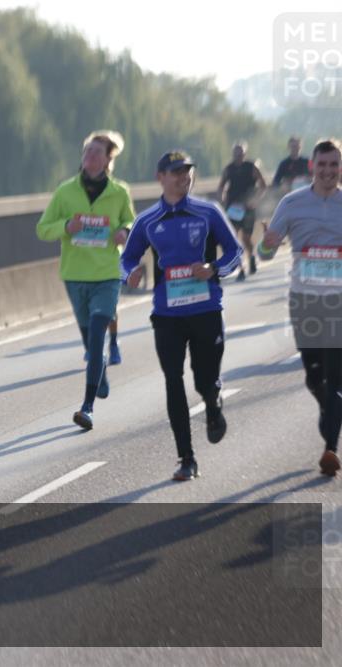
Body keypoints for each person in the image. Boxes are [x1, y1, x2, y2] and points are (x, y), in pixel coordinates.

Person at [121, 150, 242, 481]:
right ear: (161, 177)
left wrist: (213, 268)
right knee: (173, 380)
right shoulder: (148, 221)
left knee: (204, 380)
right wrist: (129, 274)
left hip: (206, 310)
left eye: (187, 172)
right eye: (175, 172)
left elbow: (236, 254)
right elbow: (126, 259)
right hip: (167, 315)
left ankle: (212, 401)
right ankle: (186, 458)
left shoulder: (208, 212)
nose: (183, 177)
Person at [36, 130, 136, 430]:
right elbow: (43, 229)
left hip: (106, 274)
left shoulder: (119, 192)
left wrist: (126, 231)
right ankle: (100, 368)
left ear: (108, 160)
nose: (90, 157)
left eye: (97, 152)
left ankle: (87, 406)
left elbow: (130, 220)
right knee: (90, 344)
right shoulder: (65, 192)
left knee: (96, 335)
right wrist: (68, 225)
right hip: (74, 275)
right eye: (87, 152)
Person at [258, 138, 342, 477]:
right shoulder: (292, 203)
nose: (327, 171)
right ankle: (329, 409)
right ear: (312, 167)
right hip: (304, 300)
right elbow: (266, 251)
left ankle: (330, 449)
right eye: (322, 165)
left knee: (335, 376)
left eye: (334, 165)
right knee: (313, 375)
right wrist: (266, 247)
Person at [216, 142, 267, 281]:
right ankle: (240, 269)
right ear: (233, 154)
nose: (238, 156)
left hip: (248, 208)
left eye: (241, 153)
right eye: (236, 154)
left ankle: (251, 257)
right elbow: (221, 187)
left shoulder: (251, 167)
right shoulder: (228, 169)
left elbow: (263, 186)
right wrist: (222, 200)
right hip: (233, 208)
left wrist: (255, 201)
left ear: (245, 154)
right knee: (233, 239)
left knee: (246, 238)